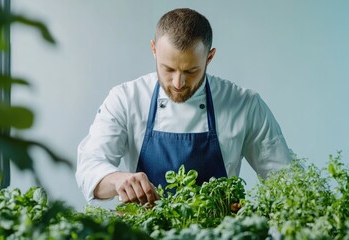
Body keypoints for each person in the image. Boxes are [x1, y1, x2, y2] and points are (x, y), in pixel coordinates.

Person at [76, 8, 293, 205]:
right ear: (153, 49)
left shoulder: (244, 105)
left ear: (209, 57)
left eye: (190, 71)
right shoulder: (125, 99)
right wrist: (117, 181)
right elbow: (89, 168)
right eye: (168, 69)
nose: (178, 83)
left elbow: (286, 180)